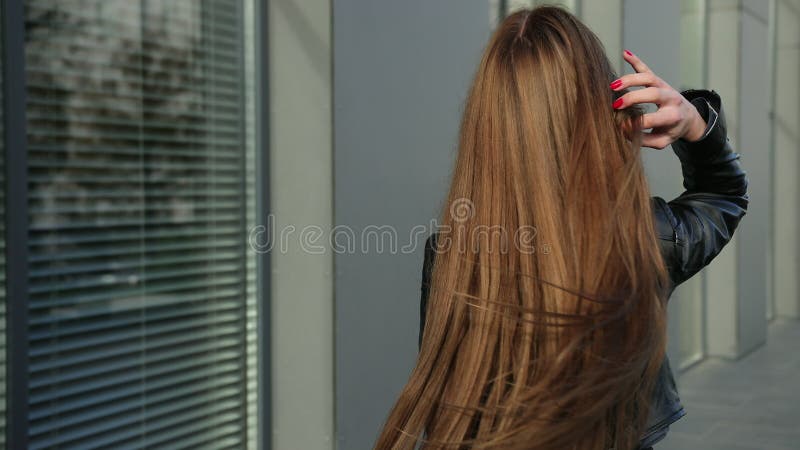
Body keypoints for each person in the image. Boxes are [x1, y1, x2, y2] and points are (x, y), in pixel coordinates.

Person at [374, 6, 748, 450]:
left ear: (488, 123)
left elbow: (449, 401)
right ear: (598, 112)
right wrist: (695, 125)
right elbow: (722, 197)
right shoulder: (641, 240)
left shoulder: (454, 254)